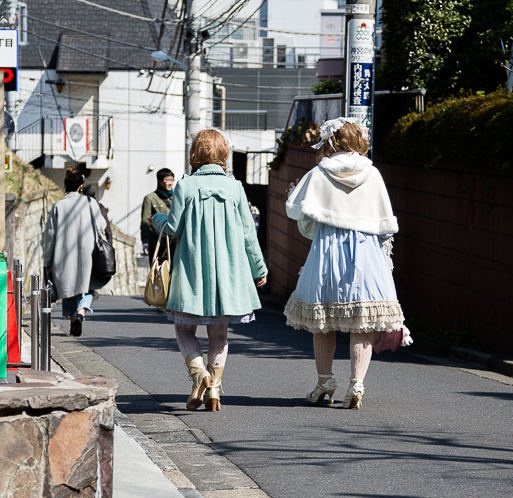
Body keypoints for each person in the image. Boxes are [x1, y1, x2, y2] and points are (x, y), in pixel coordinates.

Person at [284, 117, 406, 409]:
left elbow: (298, 212)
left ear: (331, 141)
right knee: (361, 320)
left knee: (323, 321)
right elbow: (385, 223)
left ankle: (325, 381)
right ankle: (357, 384)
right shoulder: (373, 173)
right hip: (365, 253)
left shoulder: (319, 173)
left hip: (328, 250)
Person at [152, 129, 267, 412]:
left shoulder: (186, 186)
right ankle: (213, 387)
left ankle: (199, 374)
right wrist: (259, 268)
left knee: (184, 329)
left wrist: (157, 219)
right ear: (223, 154)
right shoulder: (235, 188)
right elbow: (248, 234)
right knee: (219, 334)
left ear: (196, 153)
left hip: (191, 271)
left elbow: (173, 228)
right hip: (228, 273)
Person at [42, 166, 109, 337]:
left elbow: (50, 235)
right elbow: (101, 226)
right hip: (89, 252)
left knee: (69, 286)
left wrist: (47, 261)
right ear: (81, 186)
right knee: (87, 287)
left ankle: (73, 318)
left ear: (66, 185)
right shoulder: (90, 203)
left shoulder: (58, 206)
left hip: (64, 253)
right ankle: (81, 312)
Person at [141, 168, 175, 265]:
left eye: (172, 180)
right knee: (157, 273)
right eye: (167, 180)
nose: (170, 183)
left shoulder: (176, 197)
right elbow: (145, 222)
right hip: (157, 243)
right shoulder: (150, 198)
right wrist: (145, 242)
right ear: (160, 181)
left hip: (173, 242)